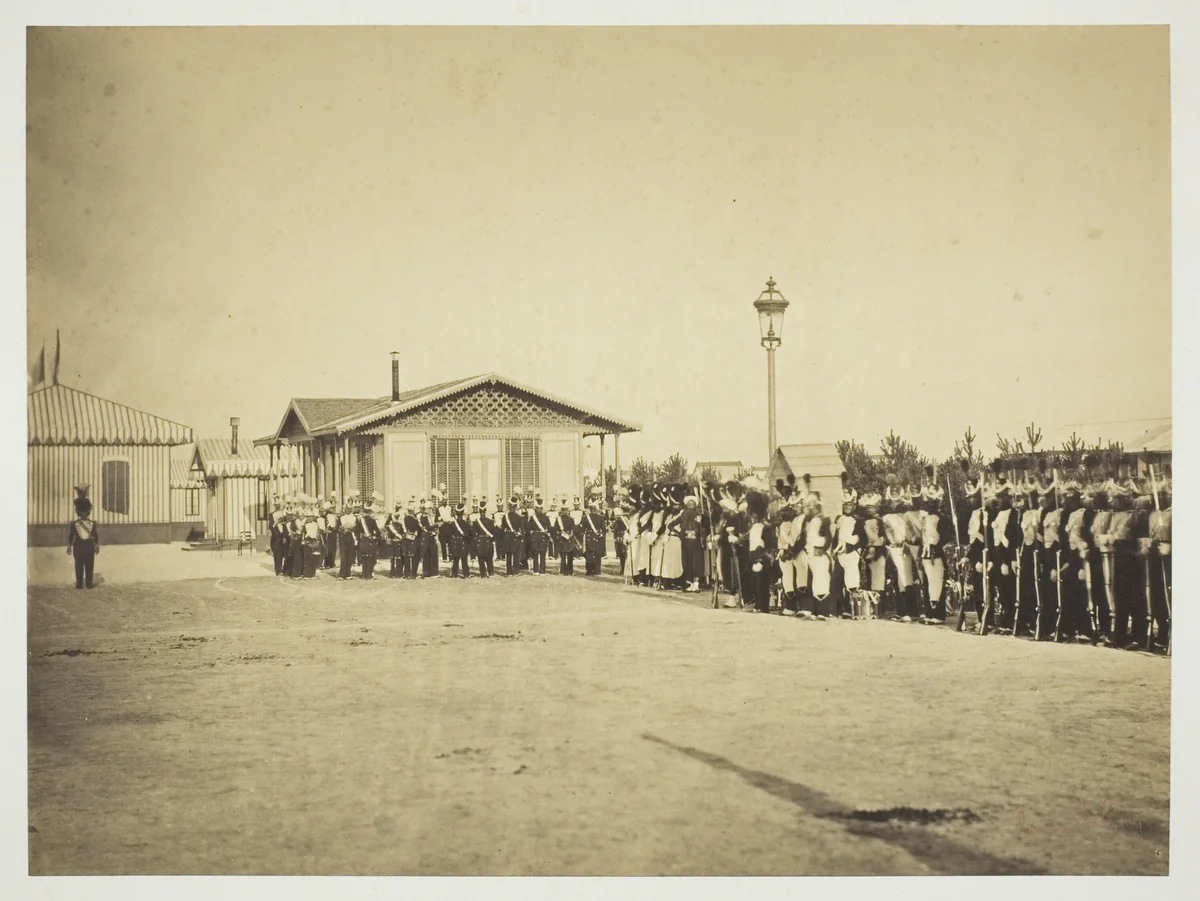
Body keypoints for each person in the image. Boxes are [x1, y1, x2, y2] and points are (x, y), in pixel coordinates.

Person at [832, 475, 867, 619]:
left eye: (850, 505)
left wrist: (851, 548)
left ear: (854, 505)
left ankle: (853, 610)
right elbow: (836, 536)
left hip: (852, 554)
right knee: (836, 582)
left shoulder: (859, 520)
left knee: (851, 581)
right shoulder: (839, 519)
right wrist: (834, 550)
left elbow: (863, 539)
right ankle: (841, 609)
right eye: (845, 505)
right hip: (839, 554)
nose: (847, 507)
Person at [744, 488, 777, 613]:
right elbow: (749, 541)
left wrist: (762, 559)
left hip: (761, 557)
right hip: (753, 555)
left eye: (754, 515)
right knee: (755, 582)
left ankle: (763, 607)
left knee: (762, 583)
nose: (753, 517)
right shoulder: (753, 527)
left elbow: (769, 544)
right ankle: (757, 605)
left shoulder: (766, 527)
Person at [67, 483, 99, 589]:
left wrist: (96, 545)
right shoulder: (74, 524)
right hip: (79, 546)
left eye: (86, 512)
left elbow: (95, 535)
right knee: (78, 566)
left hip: (89, 546)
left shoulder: (92, 523)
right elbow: (71, 535)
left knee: (89, 565)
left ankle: (89, 583)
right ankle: (79, 583)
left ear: (88, 512)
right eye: (82, 512)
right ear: (79, 513)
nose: (84, 514)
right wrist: (69, 546)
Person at [679, 492, 704, 592]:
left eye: (692, 503)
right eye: (689, 503)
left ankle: (696, 584)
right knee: (687, 563)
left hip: (696, 541)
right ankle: (690, 584)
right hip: (686, 542)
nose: (690, 505)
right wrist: (680, 534)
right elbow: (671, 525)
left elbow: (702, 526)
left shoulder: (699, 514)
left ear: (695, 504)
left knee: (696, 564)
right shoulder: (683, 515)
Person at [356, 493, 384, 580]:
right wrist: (377, 537)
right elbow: (378, 531)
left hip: (364, 540)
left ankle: (364, 575)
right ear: (370, 511)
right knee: (371, 558)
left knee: (364, 558)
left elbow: (357, 530)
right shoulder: (372, 521)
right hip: (370, 541)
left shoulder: (361, 521)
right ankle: (369, 574)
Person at [582, 494, 607, 576]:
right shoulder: (600, 518)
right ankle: (597, 570)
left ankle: (589, 571)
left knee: (589, 553)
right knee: (597, 554)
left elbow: (582, 529)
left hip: (589, 536)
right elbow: (604, 529)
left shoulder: (585, 518)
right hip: (597, 537)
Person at [337, 491, 360, 579]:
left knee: (350, 556)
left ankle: (348, 574)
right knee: (343, 556)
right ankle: (342, 574)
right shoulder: (341, 517)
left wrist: (352, 529)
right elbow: (336, 528)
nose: (348, 510)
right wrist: (342, 529)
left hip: (351, 538)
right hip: (343, 538)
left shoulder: (355, 518)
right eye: (347, 508)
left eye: (350, 508)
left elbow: (358, 528)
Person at [527, 496, 552, 575]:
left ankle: (536, 571)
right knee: (542, 554)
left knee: (536, 554)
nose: (539, 510)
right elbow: (549, 527)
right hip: (542, 536)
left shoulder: (532, 518)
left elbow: (529, 528)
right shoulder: (545, 517)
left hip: (535, 536)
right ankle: (542, 571)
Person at [301, 498, 324, 579]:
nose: (310, 518)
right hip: (307, 542)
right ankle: (307, 574)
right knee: (307, 558)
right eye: (309, 517)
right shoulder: (305, 524)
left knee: (314, 558)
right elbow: (303, 533)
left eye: (311, 516)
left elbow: (320, 531)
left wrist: (317, 540)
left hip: (315, 542)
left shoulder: (316, 524)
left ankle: (312, 574)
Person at [418, 497, 441, 579]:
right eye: (430, 509)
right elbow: (428, 527)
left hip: (429, 537)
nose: (431, 510)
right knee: (432, 554)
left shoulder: (427, 517)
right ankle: (432, 573)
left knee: (428, 554)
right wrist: (437, 525)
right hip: (428, 538)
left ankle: (427, 572)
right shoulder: (424, 517)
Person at [474, 499, 497, 578]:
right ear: (485, 510)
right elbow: (494, 533)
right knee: (489, 558)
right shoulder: (490, 522)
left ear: (479, 510)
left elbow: (474, 533)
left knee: (481, 558)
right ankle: (491, 573)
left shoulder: (476, 522)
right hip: (488, 541)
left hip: (479, 541)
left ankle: (483, 574)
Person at [449, 503, 472, 578]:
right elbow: (470, 534)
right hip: (463, 542)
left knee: (455, 559)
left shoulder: (453, 523)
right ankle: (466, 573)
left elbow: (451, 534)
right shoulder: (466, 524)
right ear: (463, 512)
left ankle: (454, 574)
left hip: (455, 542)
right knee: (464, 559)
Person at [386, 501, 406, 578]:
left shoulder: (403, 516)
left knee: (399, 557)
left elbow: (404, 527)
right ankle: (392, 572)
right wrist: (390, 535)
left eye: (399, 507)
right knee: (392, 557)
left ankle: (399, 572)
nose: (398, 508)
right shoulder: (391, 515)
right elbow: (386, 525)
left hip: (400, 539)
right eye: (397, 507)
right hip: (393, 538)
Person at [269, 496, 288, 576]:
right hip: (276, 537)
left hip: (284, 536)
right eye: (276, 505)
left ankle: (285, 569)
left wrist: (284, 535)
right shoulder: (272, 515)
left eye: (279, 505)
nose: (278, 506)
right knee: (277, 554)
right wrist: (278, 534)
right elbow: (271, 527)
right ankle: (278, 570)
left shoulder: (284, 514)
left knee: (285, 553)